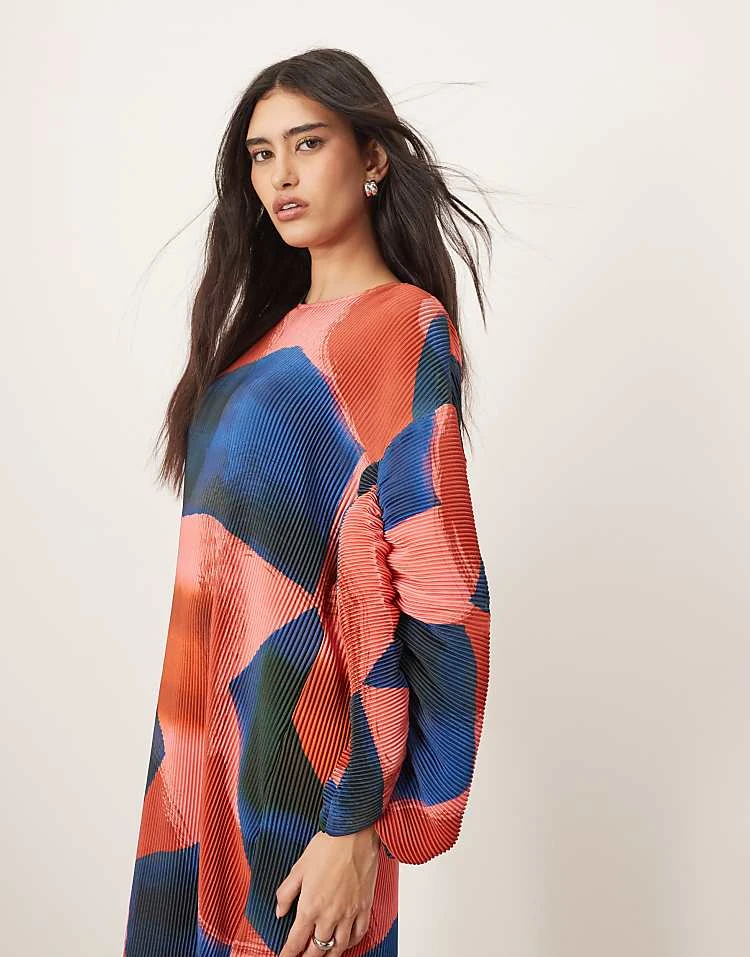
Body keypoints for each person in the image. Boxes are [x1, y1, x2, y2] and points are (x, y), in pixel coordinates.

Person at [122, 47, 493, 957]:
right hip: (201, 765)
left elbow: (443, 591)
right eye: (261, 154)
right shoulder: (254, 343)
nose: (280, 175)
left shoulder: (401, 326)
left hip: (309, 784)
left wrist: (357, 820)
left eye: (308, 143)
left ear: (373, 158)